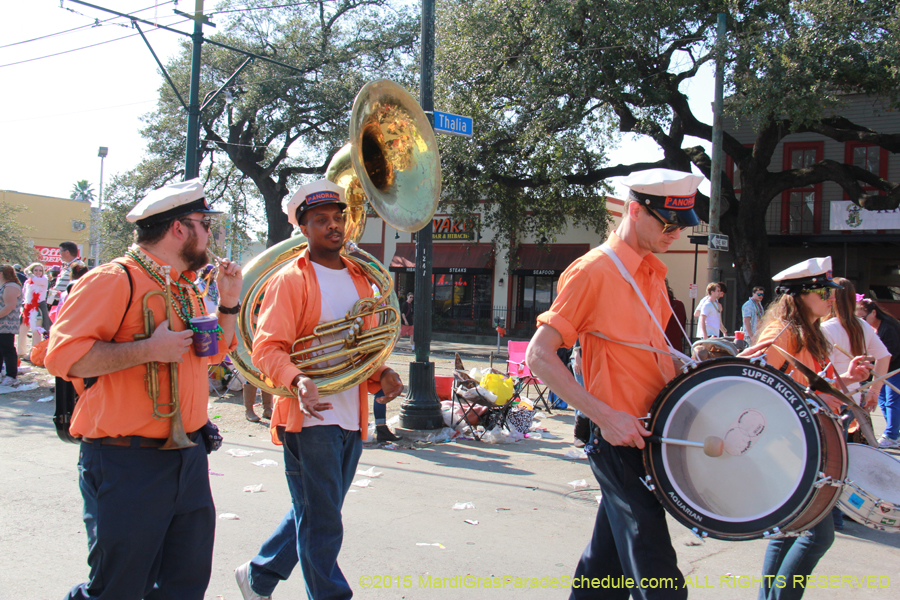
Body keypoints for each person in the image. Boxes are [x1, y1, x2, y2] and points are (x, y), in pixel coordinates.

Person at [45, 179, 242, 600]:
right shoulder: (113, 279)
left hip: (187, 455)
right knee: (118, 588)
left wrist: (228, 302)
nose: (210, 234)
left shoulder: (183, 285)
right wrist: (147, 349)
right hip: (125, 459)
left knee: (184, 584)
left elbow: (215, 353)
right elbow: (62, 357)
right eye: (205, 225)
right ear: (179, 229)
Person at [526, 168, 705, 600]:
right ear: (634, 210)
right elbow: (539, 356)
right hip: (618, 440)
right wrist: (605, 417)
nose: (677, 232)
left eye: (683, 224)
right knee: (658, 576)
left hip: (650, 434)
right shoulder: (593, 272)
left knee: (603, 571)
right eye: (667, 223)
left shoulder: (653, 272)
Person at [235, 180, 404, 600]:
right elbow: (266, 347)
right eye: (321, 221)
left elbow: (360, 352)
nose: (333, 226)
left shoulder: (363, 280)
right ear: (304, 229)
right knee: (323, 520)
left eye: (338, 218)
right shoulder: (288, 280)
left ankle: (258, 577)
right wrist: (296, 378)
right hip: (309, 418)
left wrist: (382, 375)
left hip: (350, 413)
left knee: (315, 512)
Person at [745, 257, 871, 600]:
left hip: (798, 444)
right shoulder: (781, 333)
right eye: (822, 291)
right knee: (818, 536)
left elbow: (806, 386)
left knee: (786, 533)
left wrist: (846, 379)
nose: (831, 298)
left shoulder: (804, 332)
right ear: (800, 295)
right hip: (783, 447)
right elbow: (752, 384)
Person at [197, 263, 274, 422]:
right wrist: (258, 320)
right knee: (251, 373)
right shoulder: (253, 288)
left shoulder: (271, 288)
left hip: (267, 334)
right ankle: (249, 410)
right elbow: (245, 310)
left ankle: (268, 408)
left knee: (268, 372)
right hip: (250, 333)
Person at [855, 296, 900, 449]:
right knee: (881, 400)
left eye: (863, 317)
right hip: (883, 370)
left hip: (895, 369)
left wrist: (870, 359)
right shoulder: (873, 328)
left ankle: (891, 435)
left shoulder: (888, 327)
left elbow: (892, 353)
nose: (862, 321)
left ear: (873, 313)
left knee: (892, 401)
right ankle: (893, 433)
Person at [0, 264, 23, 387]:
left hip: (6, 323)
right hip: (2, 323)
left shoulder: (11, 286)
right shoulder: (3, 286)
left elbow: (9, 306)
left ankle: (11, 375)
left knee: (7, 349)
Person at [664, 279, 687, 353]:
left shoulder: (654, 306)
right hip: (675, 348)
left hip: (659, 348)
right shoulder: (679, 305)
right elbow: (682, 330)